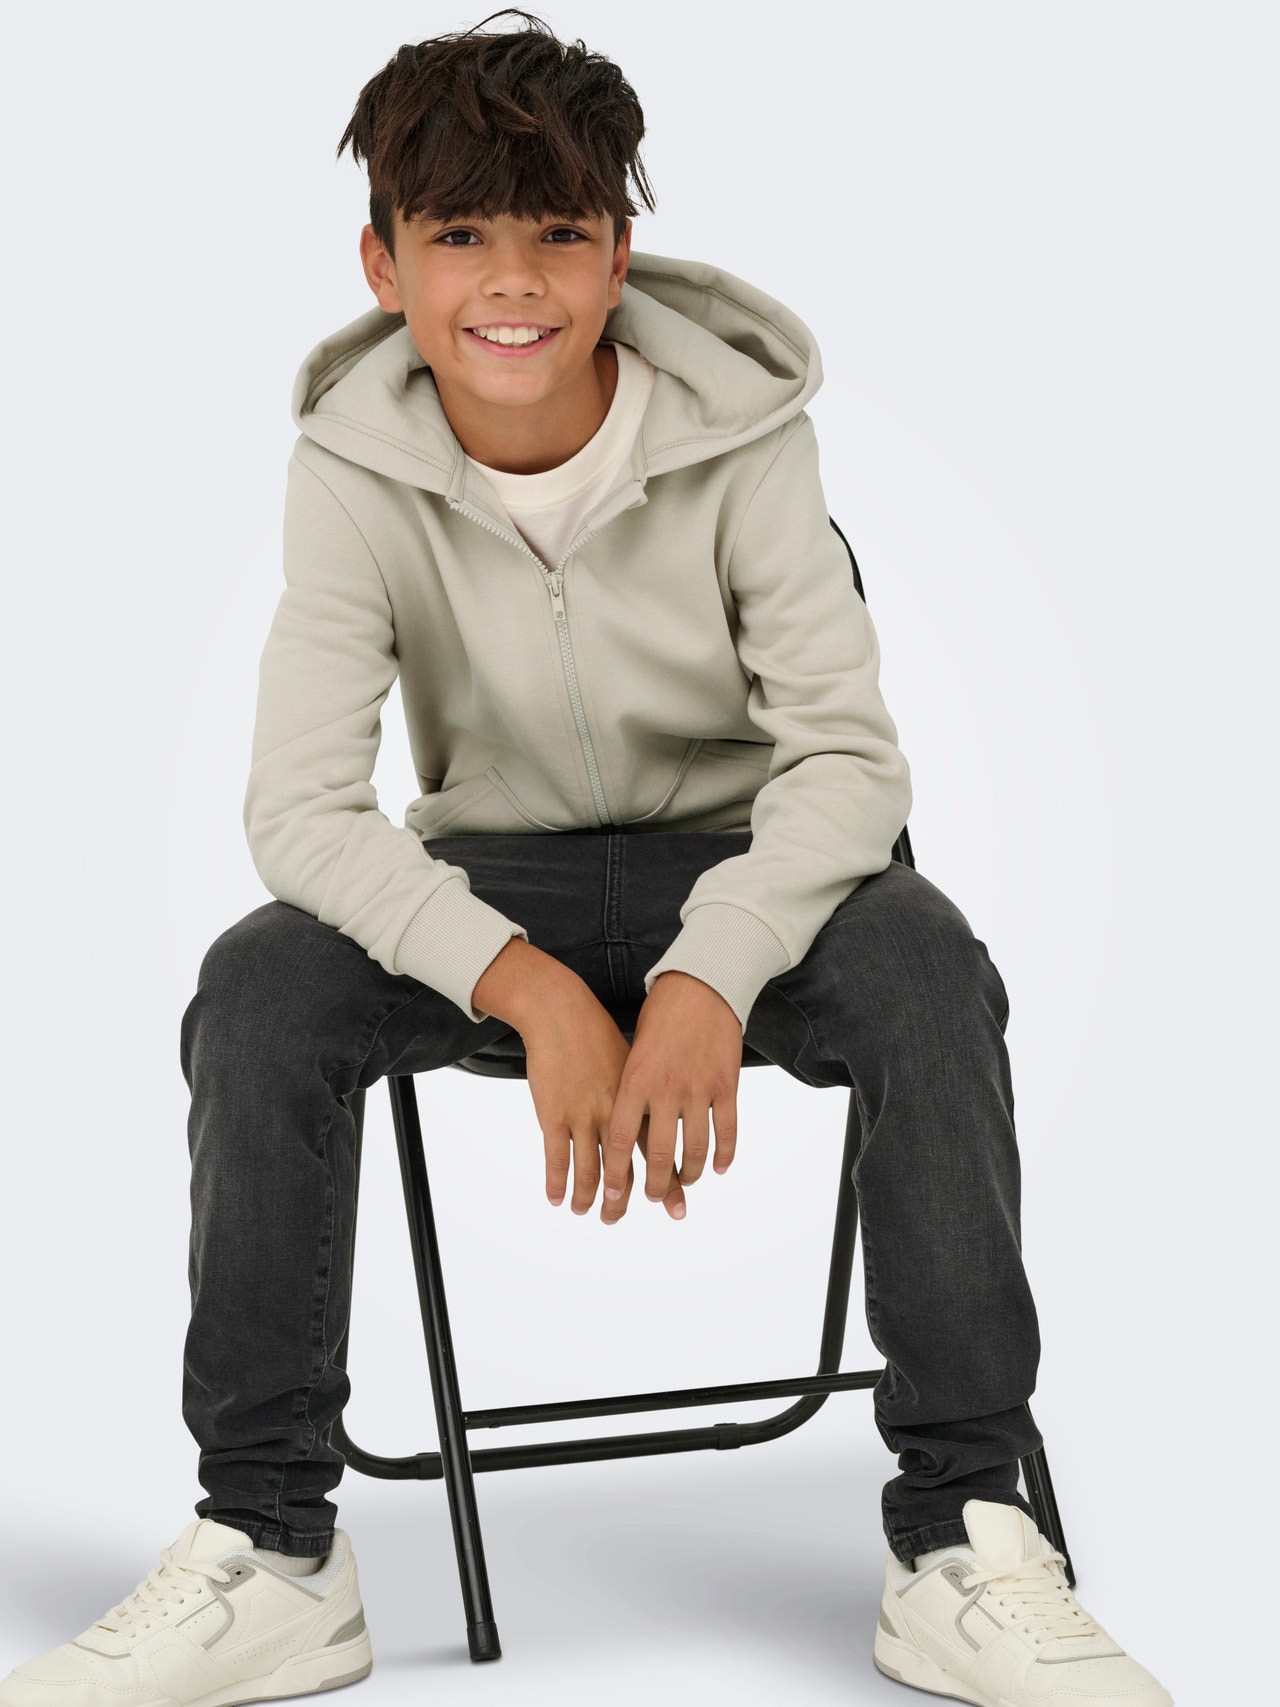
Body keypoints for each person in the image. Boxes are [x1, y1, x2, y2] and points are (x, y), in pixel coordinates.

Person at [0, 10, 1173, 1707]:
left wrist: (711, 969)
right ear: (384, 265)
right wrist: (528, 987)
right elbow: (300, 809)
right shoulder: (350, 468)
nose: (513, 281)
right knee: (258, 987)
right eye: (458, 234)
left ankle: (966, 1533)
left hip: (747, 863)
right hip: (499, 882)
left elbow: (850, 762)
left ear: (619, 253)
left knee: (928, 966)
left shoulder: (742, 433)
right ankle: (270, 1546)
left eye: (559, 231)